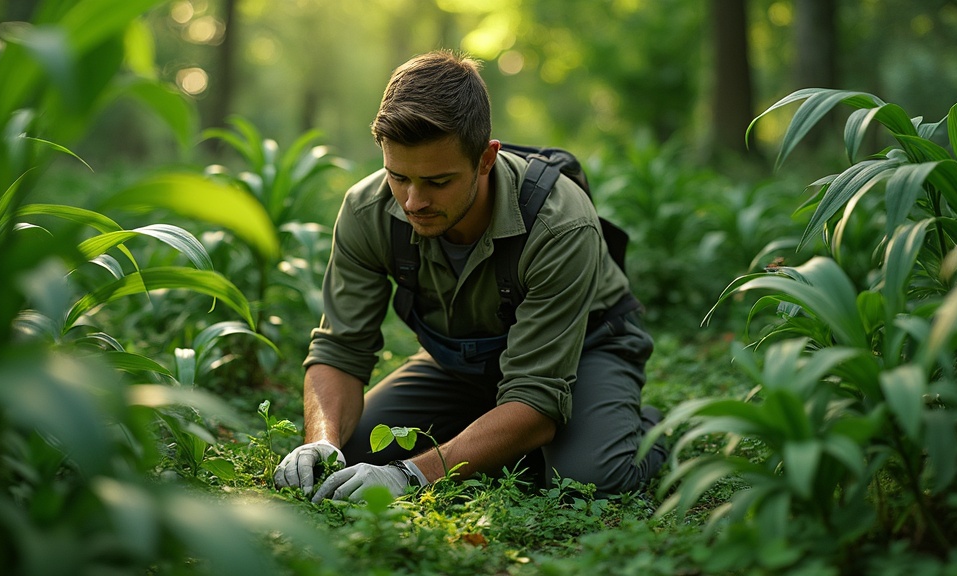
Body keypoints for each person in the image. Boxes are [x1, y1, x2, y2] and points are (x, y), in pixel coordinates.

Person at [274, 50, 666, 502]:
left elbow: (536, 398)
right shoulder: (367, 210)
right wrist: (322, 440)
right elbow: (341, 350)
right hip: (464, 363)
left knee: (585, 480)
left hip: (583, 351)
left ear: (486, 159)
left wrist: (411, 475)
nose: (413, 201)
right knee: (358, 449)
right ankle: (493, 430)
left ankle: (643, 429)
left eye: (438, 182)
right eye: (398, 176)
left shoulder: (559, 221)